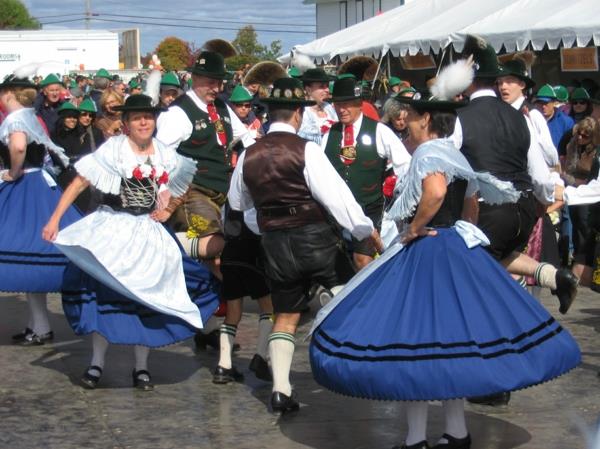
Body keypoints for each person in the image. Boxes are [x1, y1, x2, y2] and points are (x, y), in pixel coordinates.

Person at [309, 89, 581, 449]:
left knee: (416, 343)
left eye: (411, 120)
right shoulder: (457, 154)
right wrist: (458, 231)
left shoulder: (429, 152)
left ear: (426, 121)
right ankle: (455, 431)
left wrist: (415, 228)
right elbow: (470, 204)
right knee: (447, 347)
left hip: (429, 251)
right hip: (455, 244)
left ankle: (417, 438)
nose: (406, 126)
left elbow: (435, 192)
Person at [41, 94, 219, 390]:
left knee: (146, 297)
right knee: (105, 294)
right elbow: (80, 181)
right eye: (137, 117)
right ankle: (97, 363)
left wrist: (168, 209)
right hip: (113, 227)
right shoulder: (114, 150)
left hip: (147, 232)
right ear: (126, 123)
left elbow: (182, 182)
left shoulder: (164, 153)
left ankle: (141, 367)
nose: (144, 122)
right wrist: (55, 219)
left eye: (148, 116)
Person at [229, 77, 382, 414]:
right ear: (298, 114)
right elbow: (338, 198)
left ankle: (281, 391)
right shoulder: (306, 149)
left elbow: (238, 203)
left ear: (269, 113)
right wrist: (365, 229)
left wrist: (264, 224)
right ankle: (358, 370)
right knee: (346, 296)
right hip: (314, 238)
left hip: (274, 243)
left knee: (285, 315)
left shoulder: (249, 155)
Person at [452, 36, 577, 405]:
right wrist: (541, 204)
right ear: (494, 81)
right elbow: (540, 174)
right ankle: (553, 275)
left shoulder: (460, 119)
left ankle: (494, 382)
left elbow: (446, 166)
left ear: (470, 82)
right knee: (495, 258)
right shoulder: (522, 119)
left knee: (475, 290)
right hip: (522, 209)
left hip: (487, 210)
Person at [156, 51, 255, 279]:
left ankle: (216, 294)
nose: (217, 88)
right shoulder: (178, 113)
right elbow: (161, 156)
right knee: (216, 243)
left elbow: (244, 137)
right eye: (211, 82)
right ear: (195, 78)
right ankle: (170, 245)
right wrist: (164, 194)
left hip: (222, 191)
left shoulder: (221, 106)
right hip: (193, 191)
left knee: (217, 252)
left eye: (219, 82)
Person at [0, 75, 81, 345]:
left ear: (9, 94)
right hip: (41, 185)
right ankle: (39, 324)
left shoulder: (14, 119)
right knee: (30, 255)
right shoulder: (32, 116)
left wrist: (12, 171)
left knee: (22, 250)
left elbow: (19, 146)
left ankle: (41, 326)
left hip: (24, 186)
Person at [322, 75, 411, 270]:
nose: (342, 109)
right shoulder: (329, 135)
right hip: (336, 212)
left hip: (369, 207)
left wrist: (399, 199)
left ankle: (371, 297)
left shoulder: (380, 131)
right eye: (338, 104)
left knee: (362, 259)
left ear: (359, 103)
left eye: (348, 104)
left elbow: (405, 166)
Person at [297, 68, 337, 144]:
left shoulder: (328, 107)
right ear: (308, 90)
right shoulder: (303, 112)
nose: (327, 90)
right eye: (322, 86)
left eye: (327, 86)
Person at [533, 84, 575, 149]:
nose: (543, 106)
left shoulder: (566, 122)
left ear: (554, 103)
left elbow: (571, 146)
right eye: (540, 103)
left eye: (546, 103)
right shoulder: (532, 120)